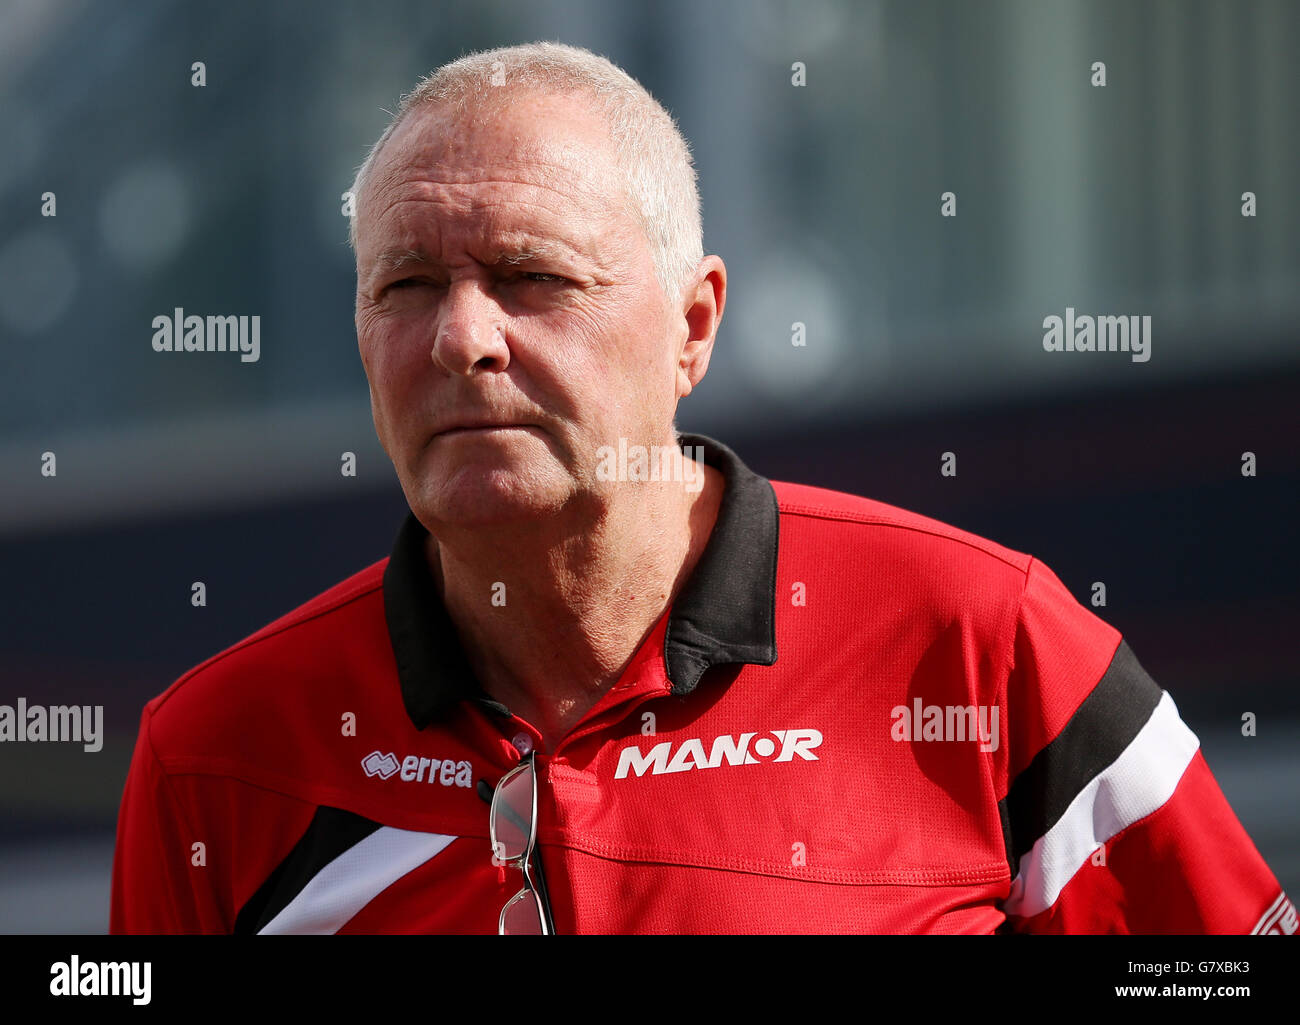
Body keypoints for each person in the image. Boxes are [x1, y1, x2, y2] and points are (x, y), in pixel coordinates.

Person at [110, 41, 1295, 935]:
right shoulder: (217, 753)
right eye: (404, 286)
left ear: (693, 326)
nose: (459, 337)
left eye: (529, 276)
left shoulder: (989, 642)